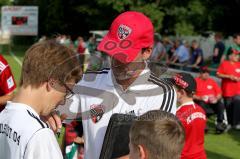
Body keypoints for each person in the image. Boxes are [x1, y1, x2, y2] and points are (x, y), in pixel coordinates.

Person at [53, 11, 177, 159]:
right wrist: (50, 113)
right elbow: (57, 114)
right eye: (113, 52)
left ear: (147, 52)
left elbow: (155, 153)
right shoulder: (89, 81)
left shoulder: (162, 93)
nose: (117, 61)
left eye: (126, 56)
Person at [0, 40, 82, 159]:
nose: (63, 101)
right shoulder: (39, 135)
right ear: (52, 83)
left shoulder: (3, 116)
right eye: (66, 92)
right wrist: (46, 139)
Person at [173, 72, 207, 159]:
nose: (170, 90)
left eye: (173, 88)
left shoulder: (177, 114)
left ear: (181, 92)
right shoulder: (201, 110)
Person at [194, 66, 226, 133]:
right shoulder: (195, 81)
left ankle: (219, 124)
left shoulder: (212, 81)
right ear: (200, 73)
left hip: (212, 102)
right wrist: (200, 97)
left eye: (208, 72)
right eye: (204, 72)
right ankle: (203, 124)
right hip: (200, 102)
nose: (206, 74)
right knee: (201, 103)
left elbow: (219, 93)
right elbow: (190, 94)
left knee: (220, 104)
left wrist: (216, 98)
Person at [217, 49, 240, 129]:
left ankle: (236, 123)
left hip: (237, 90)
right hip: (227, 90)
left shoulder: (239, 64)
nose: (237, 56)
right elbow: (218, 74)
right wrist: (229, 76)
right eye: (235, 55)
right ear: (230, 56)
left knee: (237, 103)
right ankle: (230, 123)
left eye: (237, 55)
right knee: (229, 107)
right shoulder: (224, 64)